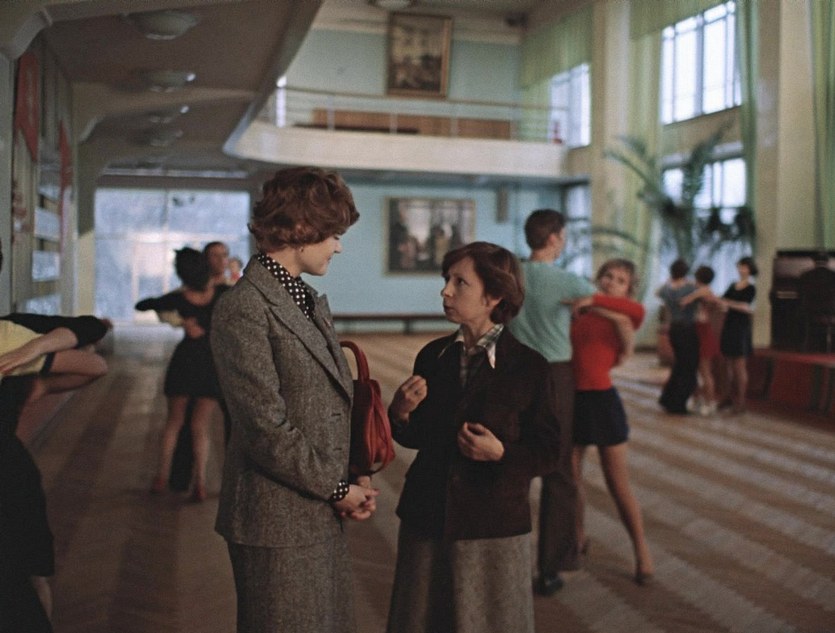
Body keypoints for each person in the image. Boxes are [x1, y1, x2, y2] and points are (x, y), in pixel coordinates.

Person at [210, 167, 378, 633]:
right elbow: (264, 428)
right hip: (274, 518)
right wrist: (337, 489)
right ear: (302, 229)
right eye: (334, 235)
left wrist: (352, 473)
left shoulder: (303, 297)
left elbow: (326, 402)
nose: (338, 247)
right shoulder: (244, 308)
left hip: (312, 506)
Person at [386, 241, 561, 633]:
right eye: (446, 280)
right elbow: (417, 437)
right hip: (428, 515)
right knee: (422, 620)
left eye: (459, 282)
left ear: (494, 296)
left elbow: (550, 451)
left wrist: (501, 453)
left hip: (492, 522)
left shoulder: (530, 367)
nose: (445, 291)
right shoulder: (433, 356)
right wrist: (400, 412)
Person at [0, 239, 109, 633]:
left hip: (9, 480)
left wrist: (34, 350)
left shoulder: (8, 335)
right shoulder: (8, 334)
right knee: (25, 578)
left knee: (23, 578)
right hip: (11, 475)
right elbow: (94, 358)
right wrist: (35, 364)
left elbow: (92, 330)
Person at [508, 209, 595, 595]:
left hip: (514, 373)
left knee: (511, 464)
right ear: (556, 237)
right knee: (558, 469)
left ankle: (503, 559)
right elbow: (602, 300)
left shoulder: (513, 276)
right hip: (556, 376)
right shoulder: (568, 281)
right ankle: (551, 566)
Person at [570, 258, 654, 585]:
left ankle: (642, 551)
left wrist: (593, 303)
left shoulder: (626, 315)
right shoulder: (580, 313)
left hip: (603, 401)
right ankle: (577, 537)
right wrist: (585, 307)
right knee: (571, 479)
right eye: (608, 275)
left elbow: (633, 314)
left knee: (618, 484)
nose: (611, 282)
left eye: (620, 280)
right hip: (573, 399)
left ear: (628, 289)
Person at [135, 247, 228, 502]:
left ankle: (161, 476)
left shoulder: (179, 298)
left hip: (184, 361)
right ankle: (200, 483)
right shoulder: (222, 294)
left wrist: (181, 321)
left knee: (174, 422)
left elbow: (143, 304)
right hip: (210, 363)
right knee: (200, 426)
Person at [657, 258, 699, 414]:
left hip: (674, 328)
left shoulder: (667, 288)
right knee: (688, 367)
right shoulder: (690, 287)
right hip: (687, 328)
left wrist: (669, 281)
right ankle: (678, 404)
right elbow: (706, 292)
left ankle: (667, 399)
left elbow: (657, 292)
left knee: (679, 365)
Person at [718, 256, 758, 414]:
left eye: (744, 267)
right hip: (729, 325)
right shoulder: (732, 285)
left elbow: (746, 307)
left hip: (741, 327)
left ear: (750, 269)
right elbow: (723, 301)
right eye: (740, 266)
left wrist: (729, 304)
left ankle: (741, 401)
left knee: (739, 366)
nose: (741, 270)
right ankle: (726, 396)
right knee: (726, 364)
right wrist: (722, 304)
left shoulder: (751, 288)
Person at [679, 265, 721, 416]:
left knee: (704, 371)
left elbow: (686, 301)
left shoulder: (705, 290)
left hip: (703, 333)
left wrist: (686, 299)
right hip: (697, 331)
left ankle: (710, 402)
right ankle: (697, 399)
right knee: (695, 370)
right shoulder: (703, 291)